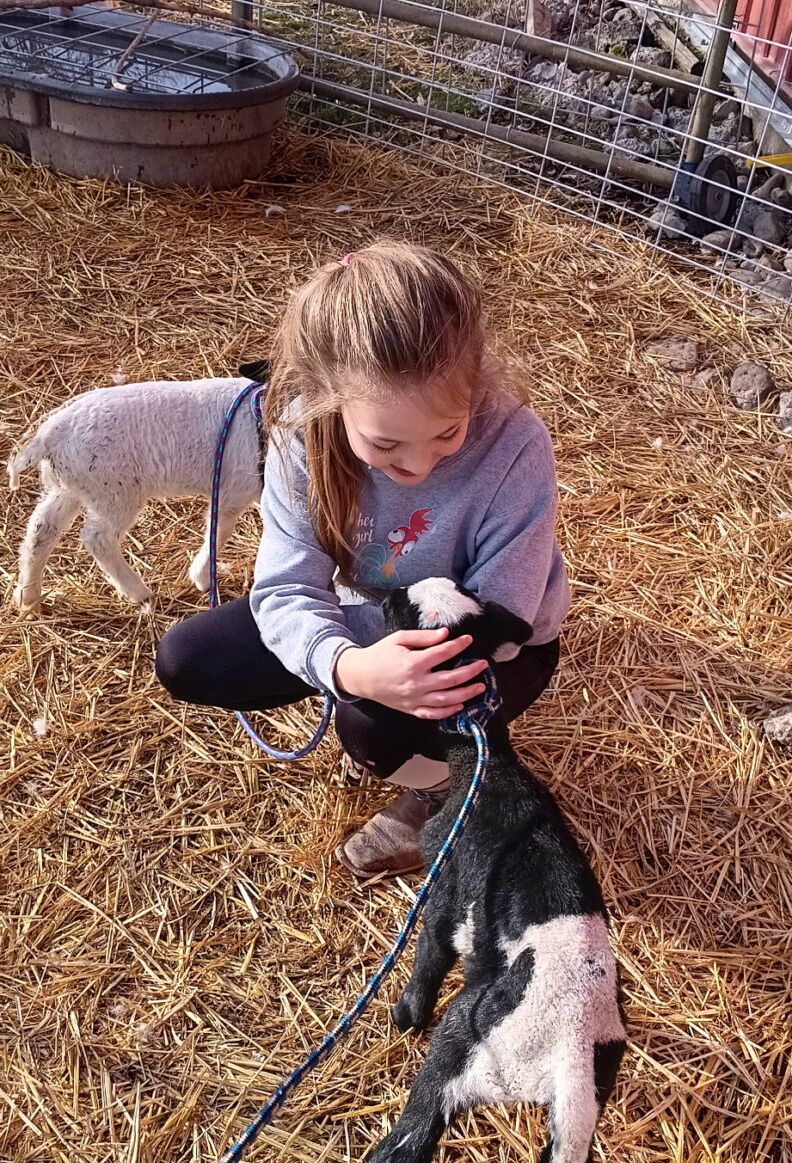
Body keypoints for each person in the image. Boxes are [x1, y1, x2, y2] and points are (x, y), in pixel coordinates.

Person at [155, 241, 571, 878]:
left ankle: (450, 785)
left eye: (447, 434)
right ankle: (398, 727)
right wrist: (346, 664)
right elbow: (285, 585)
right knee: (190, 660)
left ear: (476, 380)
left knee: (373, 730)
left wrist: (388, 685)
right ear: (331, 398)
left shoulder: (515, 443)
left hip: (486, 640)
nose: (419, 465)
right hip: (368, 612)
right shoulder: (302, 435)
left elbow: (502, 615)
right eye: (385, 443)